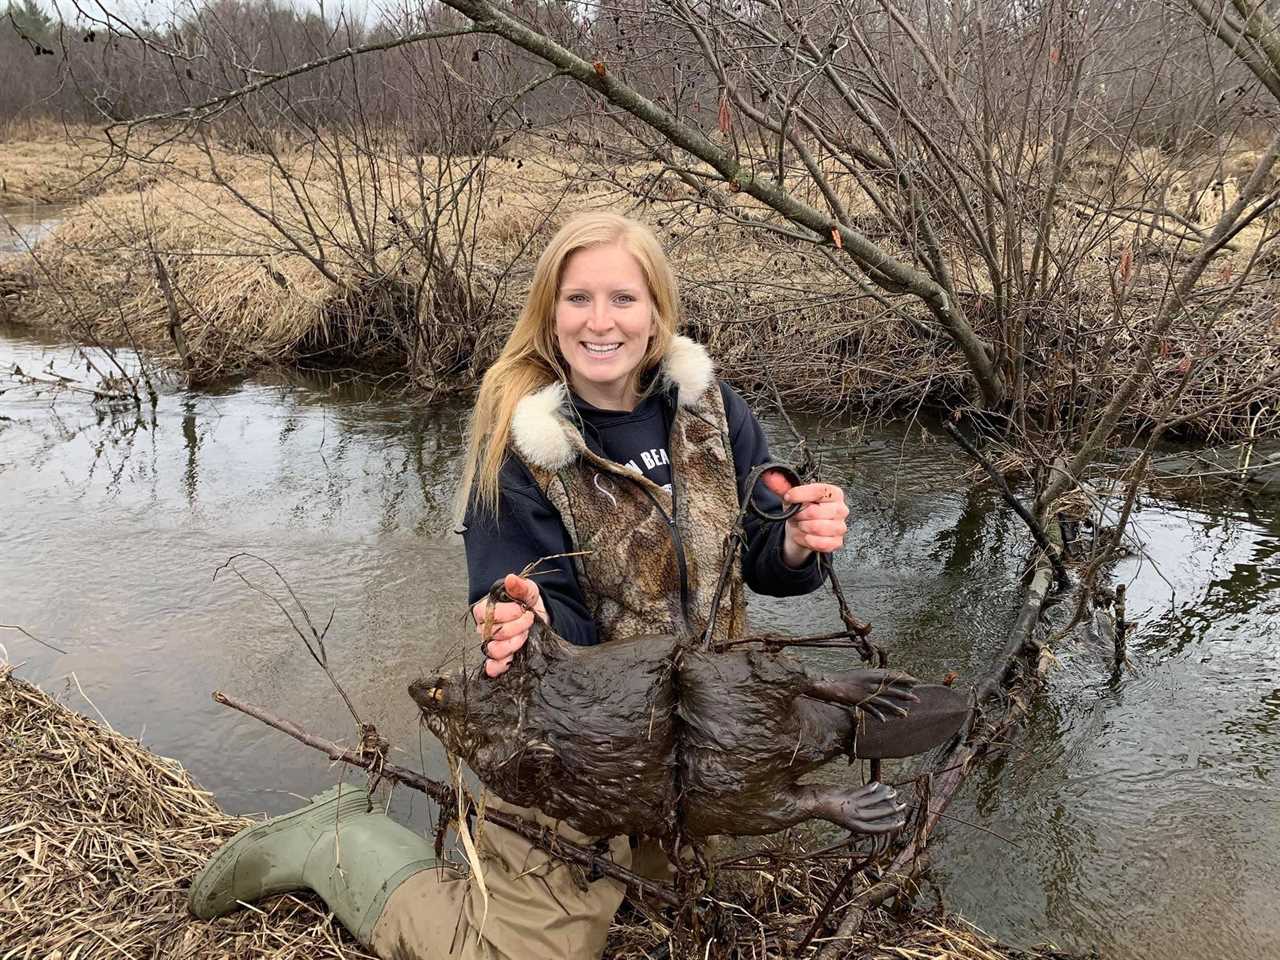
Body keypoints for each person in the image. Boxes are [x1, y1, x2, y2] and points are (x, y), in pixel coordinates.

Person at [188, 212, 854, 960]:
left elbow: (759, 550)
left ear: (659, 312)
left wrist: (796, 539)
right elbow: (538, 613)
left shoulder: (713, 413)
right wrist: (525, 618)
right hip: (570, 753)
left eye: (624, 299)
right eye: (578, 299)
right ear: (549, 313)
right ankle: (335, 839)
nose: (601, 322)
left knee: (676, 919)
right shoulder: (519, 449)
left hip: (687, 742)